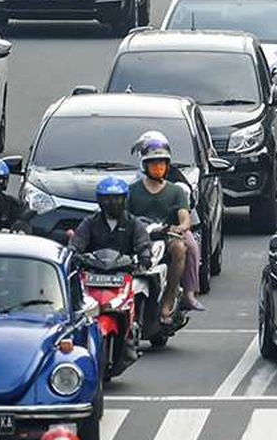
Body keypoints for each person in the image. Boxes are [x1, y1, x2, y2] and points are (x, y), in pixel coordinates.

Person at [70, 176, 152, 363]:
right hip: (93, 274)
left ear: (125, 200)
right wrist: (74, 254)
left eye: (117, 199)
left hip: (123, 274)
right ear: (100, 201)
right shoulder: (90, 222)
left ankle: (133, 331)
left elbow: (142, 243)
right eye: (107, 199)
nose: (112, 203)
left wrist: (144, 257)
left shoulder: (133, 223)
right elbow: (76, 244)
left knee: (143, 288)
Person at [127, 132, 193, 322]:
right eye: (154, 164)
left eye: (162, 164)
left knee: (180, 249)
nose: (158, 168)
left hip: (164, 237)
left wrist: (180, 227)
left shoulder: (176, 191)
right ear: (145, 166)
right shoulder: (133, 190)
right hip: (139, 238)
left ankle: (169, 298)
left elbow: (184, 217)